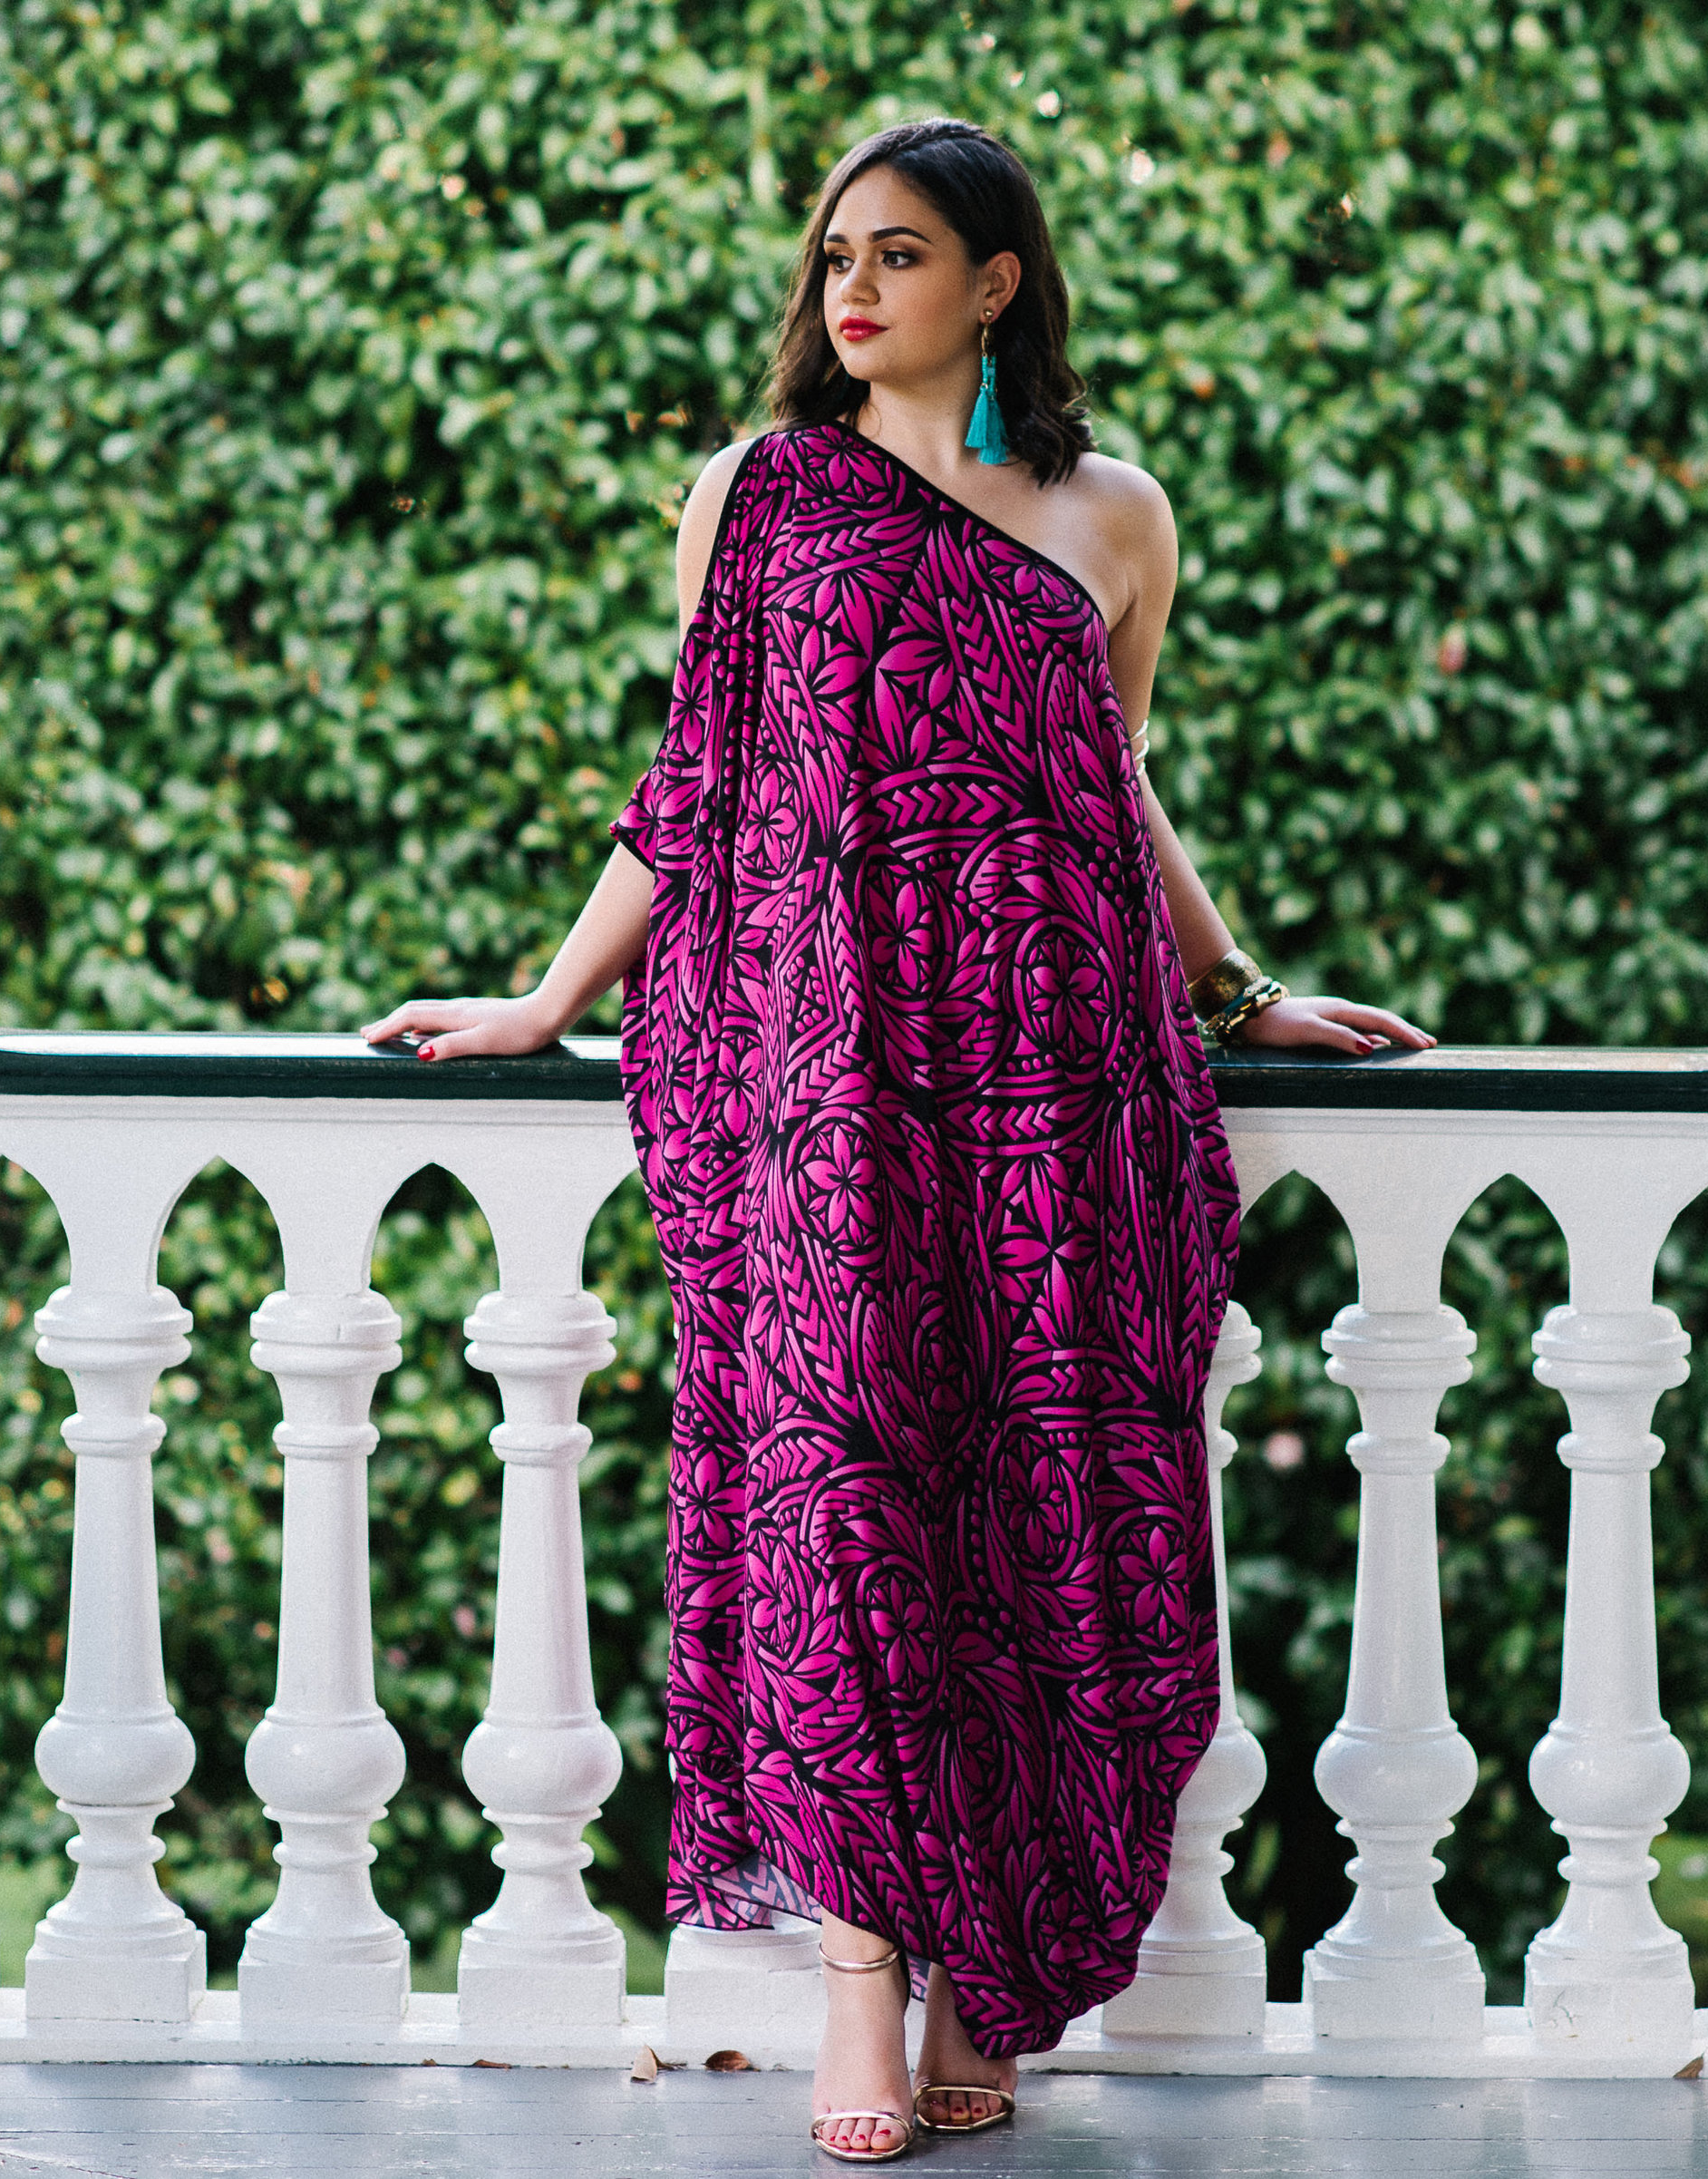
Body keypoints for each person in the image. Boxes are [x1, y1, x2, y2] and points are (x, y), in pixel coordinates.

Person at [362, 116, 1432, 2164]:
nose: (853, 286)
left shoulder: (1114, 514)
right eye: (838, 251)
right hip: (835, 1079)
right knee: (846, 1505)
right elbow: (694, 786)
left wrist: (1232, 990)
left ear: (999, 279)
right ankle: (865, 1970)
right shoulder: (758, 497)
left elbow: (1110, 786)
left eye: (906, 251)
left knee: (1036, 1513)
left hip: (1052, 1081)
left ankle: (993, 1972)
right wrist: (543, 998)